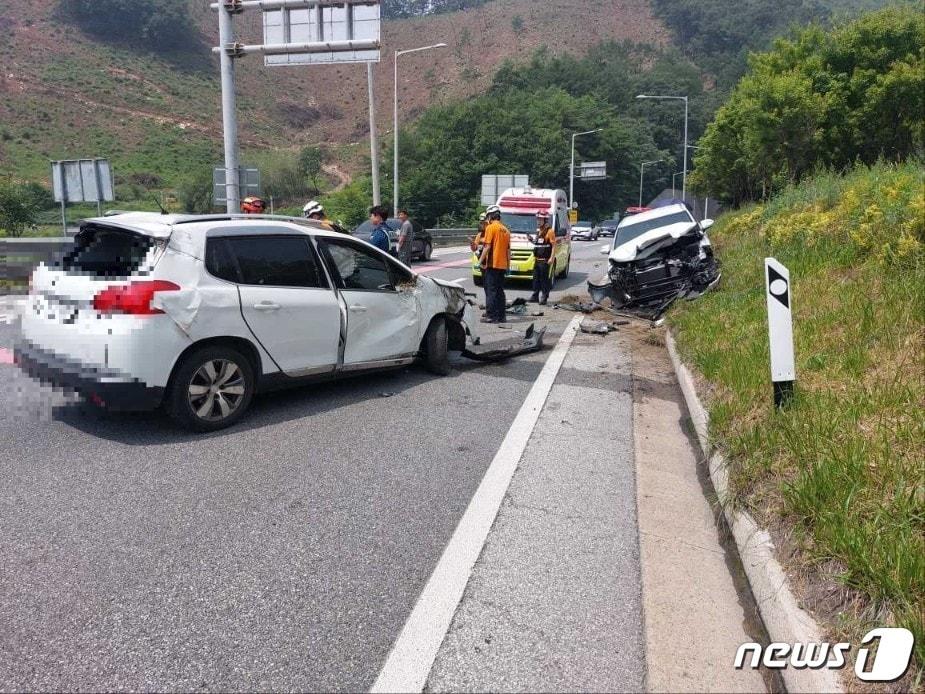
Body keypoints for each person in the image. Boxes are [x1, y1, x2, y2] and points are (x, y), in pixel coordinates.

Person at [479, 205, 511, 324]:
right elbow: (508, 251)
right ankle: (502, 316)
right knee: (500, 291)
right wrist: (508, 265)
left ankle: (491, 315)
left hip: (492, 264)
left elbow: (487, 247)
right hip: (502, 265)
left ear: (490, 216)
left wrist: (480, 261)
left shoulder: (491, 228)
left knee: (491, 291)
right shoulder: (506, 230)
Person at [529, 210, 557, 305]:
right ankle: (535, 296)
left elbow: (553, 245)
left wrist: (551, 258)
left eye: (540, 219)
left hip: (545, 260)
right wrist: (531, 240)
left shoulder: (550, 232)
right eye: (538, 219)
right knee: (536, 279)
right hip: (537, 260)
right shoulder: (539, 231)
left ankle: (544, 296)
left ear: (545, 220)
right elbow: (538, 243)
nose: (538, 221)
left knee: (544, 280)